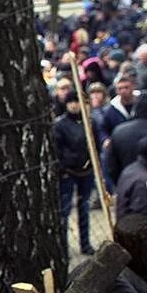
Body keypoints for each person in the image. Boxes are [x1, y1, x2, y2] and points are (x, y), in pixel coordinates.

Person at [53, 95, 96, 255]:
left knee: (84, 208)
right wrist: (63, 168)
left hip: (86, 171)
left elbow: (95, 144)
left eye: (76, 102)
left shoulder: (89, 122)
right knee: (65, 211)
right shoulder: (60, 125)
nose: (74, 105)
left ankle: (85, 244)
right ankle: (63, 247)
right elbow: (57, 149)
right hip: (68, 173)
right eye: (71, 102)